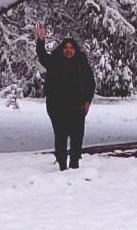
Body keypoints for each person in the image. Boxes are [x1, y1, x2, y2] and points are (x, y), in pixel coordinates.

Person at [35, 24, 95, 169]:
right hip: (57, 106)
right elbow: (42, 56)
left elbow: (90, 83)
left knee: (77, 136)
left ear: (75, 49)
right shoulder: (54, 61)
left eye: (71, 48)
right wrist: (41, 39)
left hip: (77, 106)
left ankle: (74, 163)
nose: (68, 50)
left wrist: (87, 101)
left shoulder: (82, 63)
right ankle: (62, 164)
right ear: (62, 49)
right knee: (61, 135)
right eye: (66, 48)